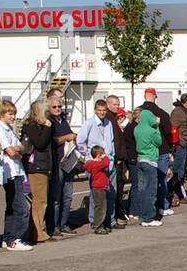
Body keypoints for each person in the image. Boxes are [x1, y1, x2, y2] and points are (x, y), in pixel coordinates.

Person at [0, 100, 32, 251]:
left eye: (14, 114)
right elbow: (9, 151)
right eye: (10, 114)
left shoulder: (9, 129)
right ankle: (15, 238)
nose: (13, 117)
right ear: (3, 114)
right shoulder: (0, 129)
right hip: (8, 172)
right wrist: (14, 151)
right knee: (20, 208)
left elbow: (22, 147)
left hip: (16, 170)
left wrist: (17, 150)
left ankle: (8, 237)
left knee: (11, 206)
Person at [77, 98, 116, 229]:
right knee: (97, 195)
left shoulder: (108, 123)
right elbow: (79, 140)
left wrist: (112, 156)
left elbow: (111, 141)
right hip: (97, 165)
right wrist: (87, 156)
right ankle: (95, 221)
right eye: (99, 110)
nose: (102, 112)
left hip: (109, 162)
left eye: (104, 110)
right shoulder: (89, 123)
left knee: (110, 193)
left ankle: (110, 219)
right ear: (95, 110)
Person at [21, 98, 54, 243]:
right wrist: (47, 128)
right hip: (36, 167)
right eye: (46, 111)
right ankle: (39, 232)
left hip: (43, 166)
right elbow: (40, 143)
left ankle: (34, 231)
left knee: (41, 200)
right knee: (40, 201)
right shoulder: (32, 126)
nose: (48, 113)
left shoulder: (38, 125)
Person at [141, 88, 175, 219]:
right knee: (161, 179)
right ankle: (162, 206)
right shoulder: (162, 114)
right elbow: (167, 132)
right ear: (155, 97)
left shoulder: (139, 112)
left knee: (144, 182)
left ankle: (142, 209)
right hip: (160, 150)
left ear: (145, 96)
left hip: (143, 152)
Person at [47, 89, 77, 236]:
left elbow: (69, 134)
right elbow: (50, 141)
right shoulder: (49, 121)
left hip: (68, 161)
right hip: (57, 161)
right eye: (55, 106)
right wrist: (66, 137)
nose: (58, 109)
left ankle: (64, 223)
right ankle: (55, 225)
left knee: (68, 195)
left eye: (60, 106)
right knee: (56, 197)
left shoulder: (63, 119)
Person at [134, 105, 165, 226]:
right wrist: (156, 126)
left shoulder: (137, 129)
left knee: (142, 190)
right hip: (150, 160)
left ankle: (142, 216)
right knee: (151, 190)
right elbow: (159, 141)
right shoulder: (151, 131)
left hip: (140, 159)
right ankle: (149, 217)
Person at [105, 95, 130, 224]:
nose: (116, 107)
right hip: (115, 159)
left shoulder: (112, 119)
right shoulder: (109, 119)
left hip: (118, 158)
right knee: (115, 189)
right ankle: (115, 215)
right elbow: (114, 140)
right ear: (108, 104)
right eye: (114, 104)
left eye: (118, 104)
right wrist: (119, 157)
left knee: (118, 188)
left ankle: (116, 214)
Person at [169, 94, 187, 202]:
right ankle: (176, 193)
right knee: (178, 171)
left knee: (181, 170)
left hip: (183, 144)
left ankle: (179, 193)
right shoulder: (178, 112)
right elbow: (173, 128)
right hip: (179, 146)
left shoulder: (182, 111)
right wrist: (177, 142)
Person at [84, 147, 112, 234]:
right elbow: (106, 163)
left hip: (97, 188)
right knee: (101, 208)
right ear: (99, 155)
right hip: (99, 188)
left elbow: (86, 166)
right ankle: (98, 225)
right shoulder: (97, 165)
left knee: (98, 206)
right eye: (102, 154)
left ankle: (100, 224)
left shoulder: (91, 164)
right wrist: (106, 157)